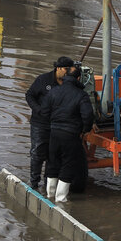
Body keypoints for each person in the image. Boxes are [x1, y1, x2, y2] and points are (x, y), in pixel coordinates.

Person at [43, 64, 94, 203]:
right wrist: (85, 130)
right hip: (70, 135)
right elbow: (88, 115)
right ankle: (61, 201)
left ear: (65, 77)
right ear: (78, 78)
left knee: (52, 164)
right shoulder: (81, 95)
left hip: (53, 134)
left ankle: (49, 197)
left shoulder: (53, 92)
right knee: (68, 165)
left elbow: (44, 111)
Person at [25, 57, 75, 191]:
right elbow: (29, 95)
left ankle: (49, 184)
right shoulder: (43, 80)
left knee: (53, 155)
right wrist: (38, 110)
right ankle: (34, 183)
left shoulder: (69, 84)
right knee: (37, 153)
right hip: (40, 124)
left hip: (58, 126)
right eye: (66, 69)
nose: (67, 72)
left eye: (70, 70)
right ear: (58, 68)